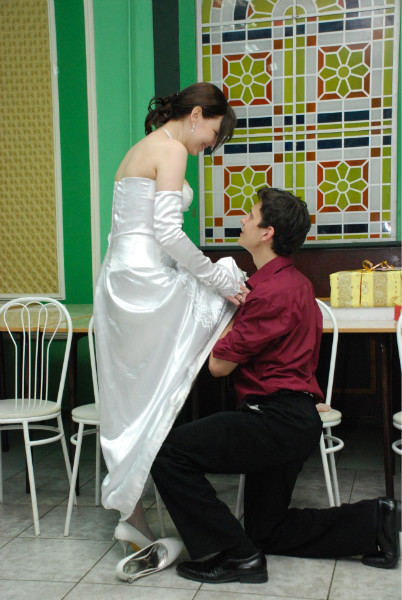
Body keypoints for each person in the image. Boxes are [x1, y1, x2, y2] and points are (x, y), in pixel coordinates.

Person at [150, 186, 401, 584]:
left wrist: (230, 310)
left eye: (250, 215)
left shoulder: (266, 293)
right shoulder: (298, 284)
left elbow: (219, 366)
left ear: (267, 232)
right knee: (267, 530)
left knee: (168, 453)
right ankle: (375, 521)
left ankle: (239, 557)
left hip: (274, 419)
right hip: (294, 418)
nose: (243, 220)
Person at [93, 83, 248, 553]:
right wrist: (217, 279)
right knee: (230, 289)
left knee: (133, 400)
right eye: (214, 134)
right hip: (144, 276)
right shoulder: (173, 149)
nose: (210, 145)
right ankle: (261, 402)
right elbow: (166, 231)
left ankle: (133, 517)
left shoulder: (142, 148)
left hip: (121, 275)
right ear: (197, 115)